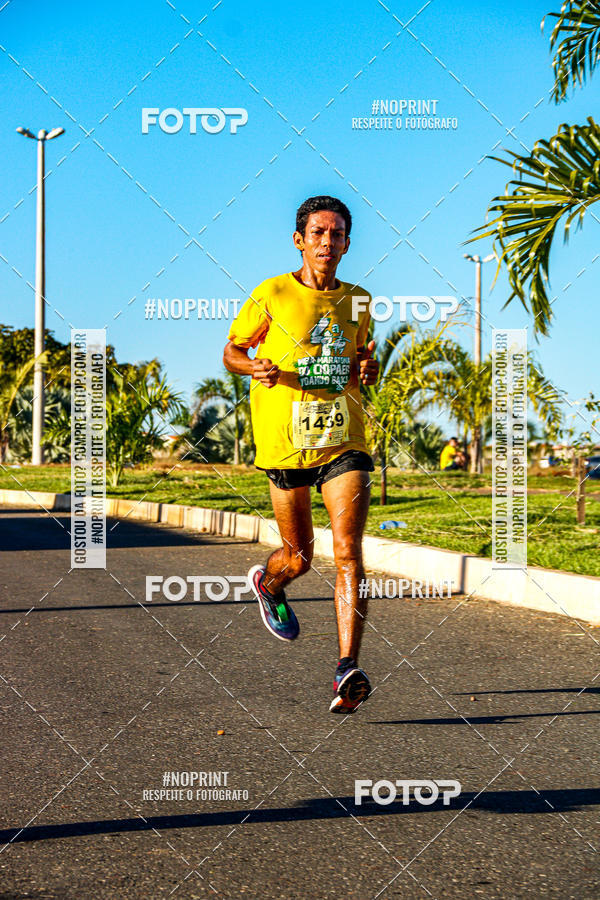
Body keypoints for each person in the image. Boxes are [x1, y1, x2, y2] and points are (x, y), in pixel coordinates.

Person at [223, 195, 379, 713]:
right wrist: (255, 368)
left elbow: (361, 357)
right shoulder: (272, 292)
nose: (327, 242)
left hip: (344, 440)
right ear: (300, 240)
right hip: (284, 441)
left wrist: (367, 371)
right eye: (318, 233)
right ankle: (270, 584)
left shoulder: (360, 300)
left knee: (349, 552)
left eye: (337, 234)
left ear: (347, 244)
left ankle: (346, 669)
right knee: (300, 557)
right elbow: (231, 352)